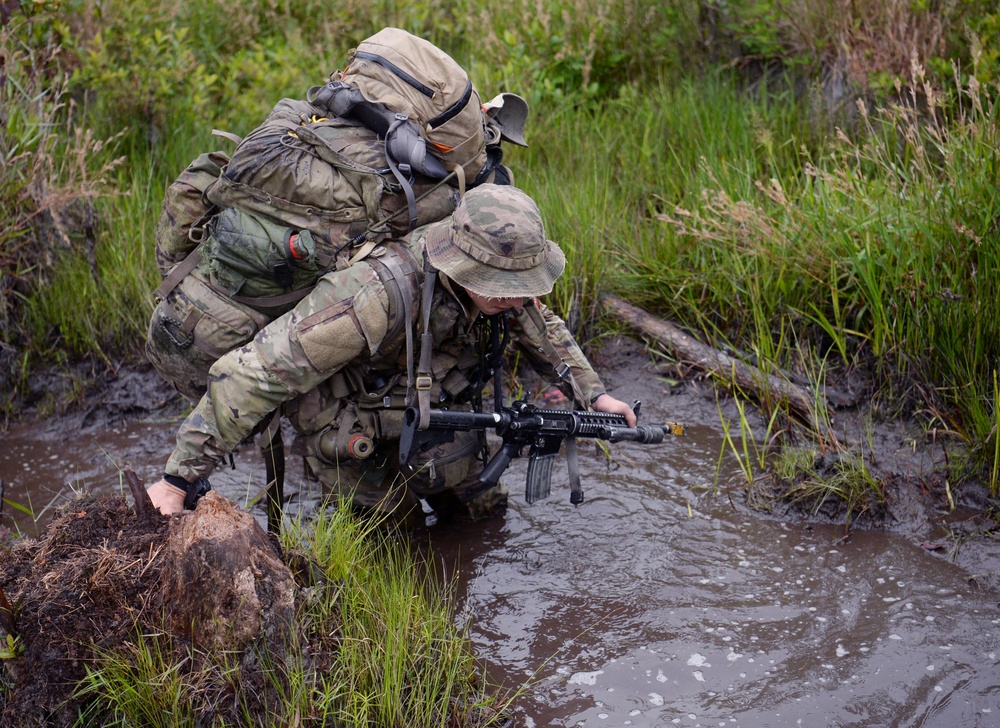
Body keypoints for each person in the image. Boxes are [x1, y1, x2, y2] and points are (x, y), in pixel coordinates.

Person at [146, 184, 636, 521]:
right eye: (503, 288)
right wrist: (177, 481)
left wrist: (594, 397)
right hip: (360, 426)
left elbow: (539, 322)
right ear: (458, 263)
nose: (516, 299)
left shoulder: (508, 294)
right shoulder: (374, 296)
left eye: (522, 287)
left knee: (483, 517)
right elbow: (251, 374)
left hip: (440, 417)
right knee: (391, 543)